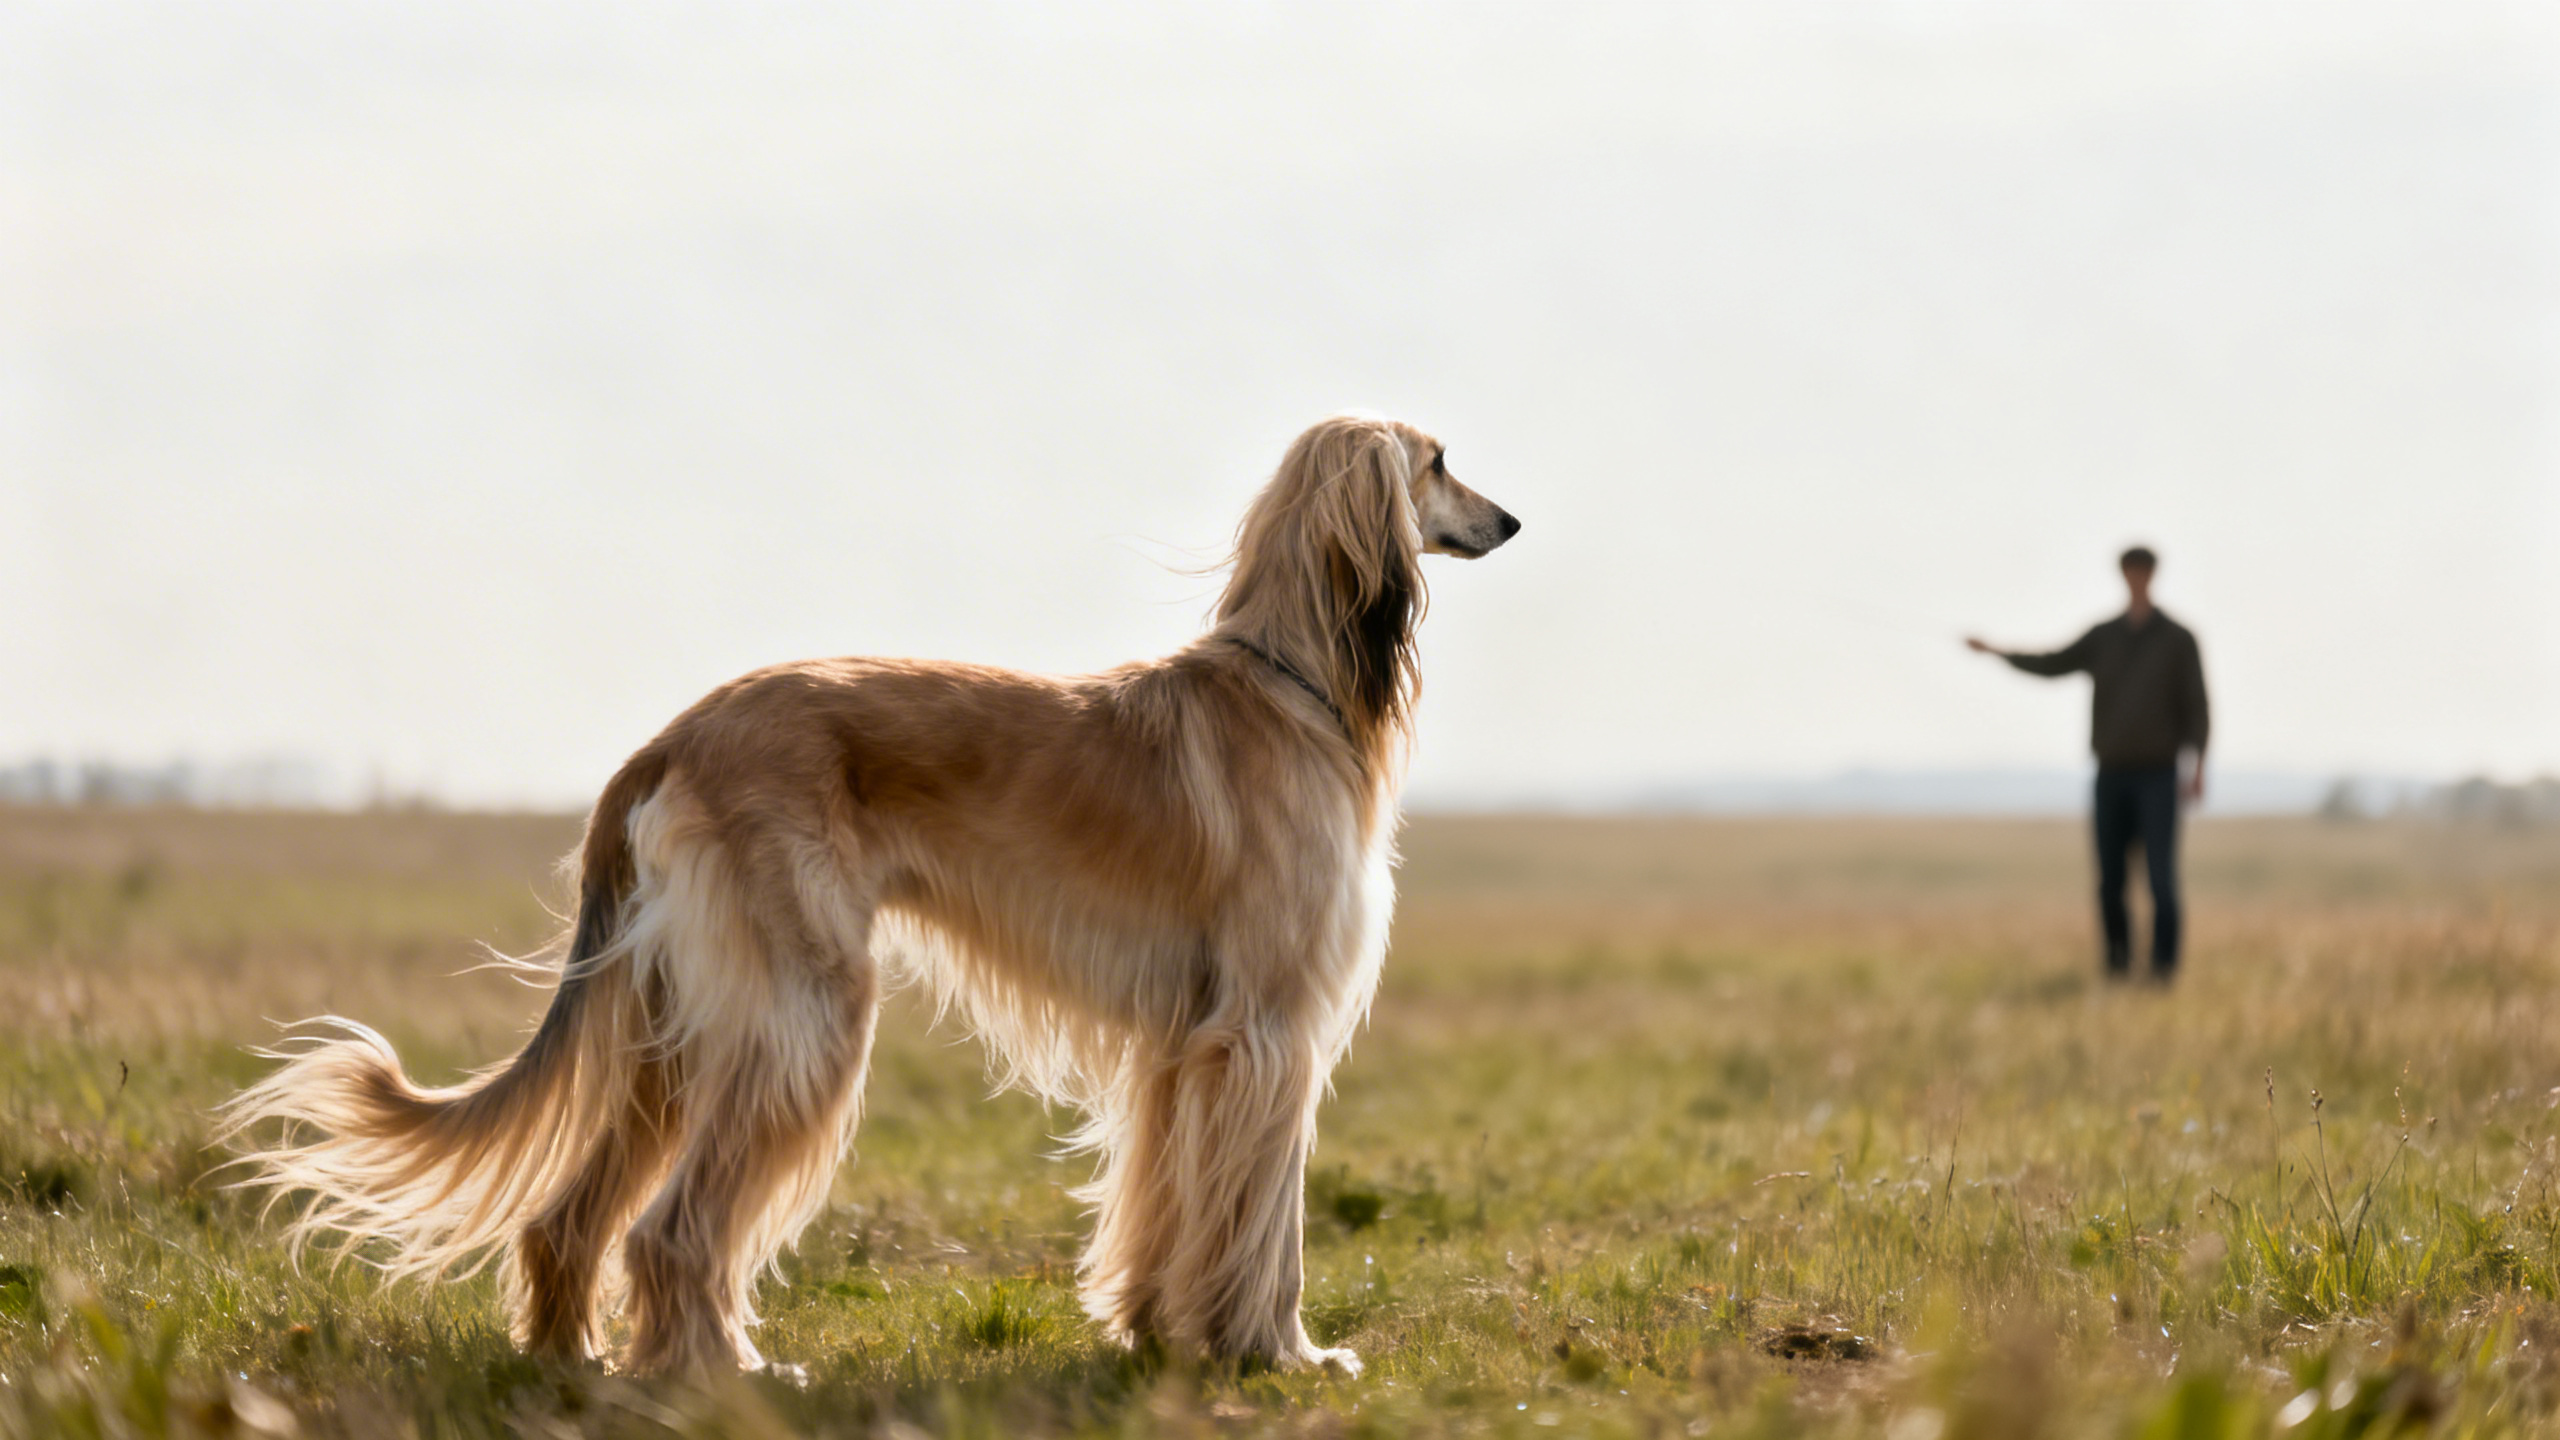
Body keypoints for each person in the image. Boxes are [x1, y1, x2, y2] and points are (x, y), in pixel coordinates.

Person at [1966, 546, 2209, 982]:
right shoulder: (2104, 636)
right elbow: (2052, 662)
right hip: (2111, 774)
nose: (2136, 578)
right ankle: (2116, 966)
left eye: (2142, 572)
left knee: (2160, 878)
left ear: (2152, 575)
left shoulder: (2177, 639)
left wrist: (2198, 768)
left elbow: (2197, 707)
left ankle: (2163, 971)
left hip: (2158, 774)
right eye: (2130, 571)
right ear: (2123, 575)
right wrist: (1998, 652)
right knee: (2109, 880)